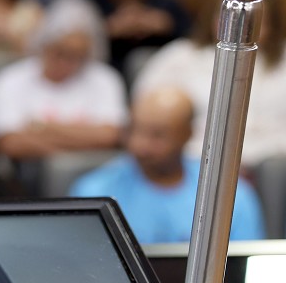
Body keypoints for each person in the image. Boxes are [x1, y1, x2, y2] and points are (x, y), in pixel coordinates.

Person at [72, 88, 264, 243]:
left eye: (157, 135)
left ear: (187, 133)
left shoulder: (229, 197)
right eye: (134, 130)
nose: (140, 145)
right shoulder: (93, 193)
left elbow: (241, 265)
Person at [134, 0, 286, 166]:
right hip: (195, 156)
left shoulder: (283, 61)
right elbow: (145, 111)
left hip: (270, 159)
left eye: (252, 21)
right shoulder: (180, 56)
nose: (240, 28)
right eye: (231, 19)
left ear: (270, 26)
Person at [0, 0, 128, 162]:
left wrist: (43, 128)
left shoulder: (105, 79)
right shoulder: (10, 79)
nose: (67, 63)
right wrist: (72, 151)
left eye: (78, 56)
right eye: (61, 53)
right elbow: (9, 142)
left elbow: (111, 136)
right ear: (44, 45)